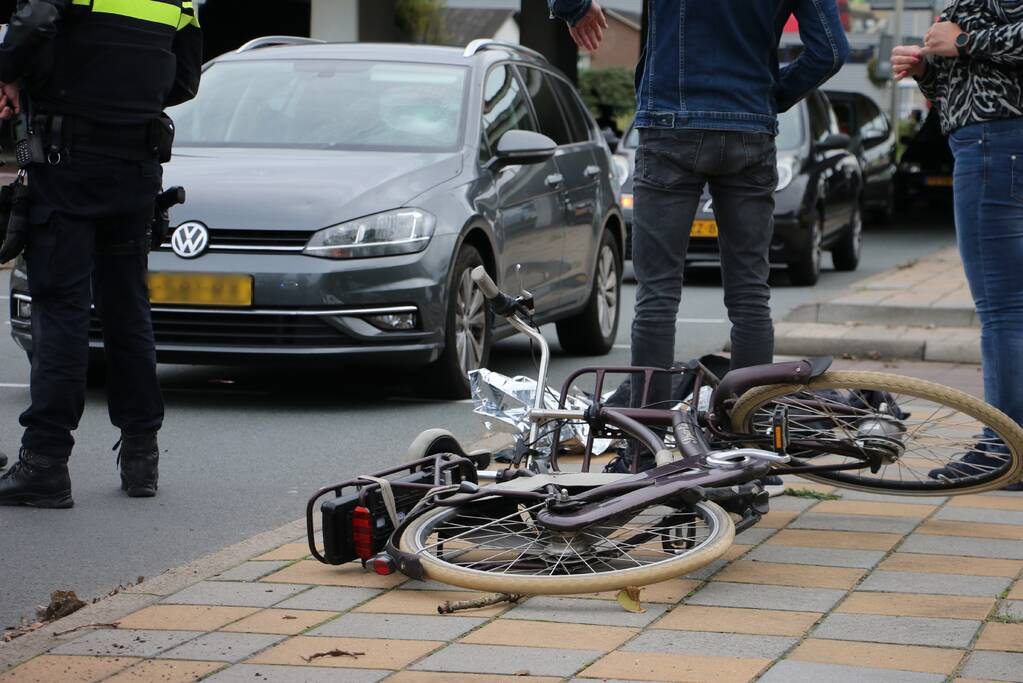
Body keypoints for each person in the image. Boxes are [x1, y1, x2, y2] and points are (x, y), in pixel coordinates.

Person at [549, 0, 849, 471]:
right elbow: (830, 50)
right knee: (750, 294)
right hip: (750, 128)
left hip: (669, 126)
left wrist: (572, 9)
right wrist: (769, 97)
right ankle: (747, 440)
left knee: (658, 294)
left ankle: (642, 446)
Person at [0, 0, 202, 508]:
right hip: (136, 170)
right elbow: (184, 83)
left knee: (61, 310)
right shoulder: (177, 1)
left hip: (67, 168)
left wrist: (11, 75)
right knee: (127, 311)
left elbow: (32, 25)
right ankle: (141, 456)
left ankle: (44, 463)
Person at [892, 1, 1023, 490]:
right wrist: (929, 72)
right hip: (993, 141)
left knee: (1005, 310)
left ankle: (1004, 451)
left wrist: (964, 42)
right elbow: (971, 86)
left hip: (996, 146)